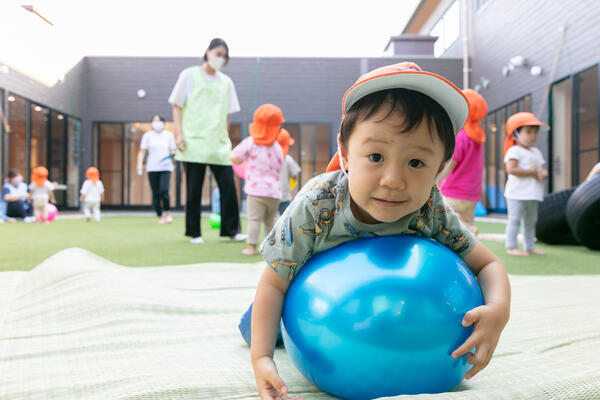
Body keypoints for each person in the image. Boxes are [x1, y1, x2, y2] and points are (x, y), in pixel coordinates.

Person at [249, 62, 511, 400]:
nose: (393, 180)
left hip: (396, 322)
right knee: (260, 323)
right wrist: (261, 356)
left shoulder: (431, 209)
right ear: (345, 153)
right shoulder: (317, 203)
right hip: (304, 303)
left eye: (416, 163)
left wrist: (499, 310)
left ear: (440, 170)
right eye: (375, 156)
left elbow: (488, 265)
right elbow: (273, 281)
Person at [169, 37, 245, 244]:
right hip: (193, 142)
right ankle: (194, 233)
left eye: (224, 56)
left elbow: (229, 113)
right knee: (193, 189)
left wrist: (226, 135)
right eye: (217, 54)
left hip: (219, 144)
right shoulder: (189, 75)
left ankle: (231, 230)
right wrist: (178, 134)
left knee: (229, 186)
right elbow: (177, 105)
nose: (220, 58)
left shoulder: (226, 82)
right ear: (208, 52)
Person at [231, 104, 284, 256]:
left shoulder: (251, 142)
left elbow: (235, 156)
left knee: (254, 220)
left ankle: (251, 248)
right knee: (271, 221)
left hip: (256, 191)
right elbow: (280, 164)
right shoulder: (277, 146)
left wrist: (239, 161)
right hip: (274, 191)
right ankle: (274, 250)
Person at [439, 89, 487, 236]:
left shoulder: (461, 135)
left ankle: (469, 231)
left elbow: (451, 163)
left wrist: (434, 181)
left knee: (444, 224)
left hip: (454, 191)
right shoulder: (477, 137)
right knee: (466, 226)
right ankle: (470, 242)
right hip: (471, 194)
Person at [503, 112, 548, 256]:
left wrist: (543, 174)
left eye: (535, 132)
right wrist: (532, 172)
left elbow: (543, 170)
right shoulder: (514, 150)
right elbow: (511, 169)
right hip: (517, 194)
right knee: (514, 220)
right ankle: (511, 246)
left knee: (530, 222)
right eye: (528, 132)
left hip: (533, 194)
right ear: (515, 135)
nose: (533, 135)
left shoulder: (536, 152)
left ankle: (529, 246)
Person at [136, 114, 176, 224]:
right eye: (154, 120)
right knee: (156, 193)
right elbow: (142, 151)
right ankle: (160, 216)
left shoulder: (169, 135)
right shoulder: (147, 136)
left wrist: (174, 156)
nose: (156, 123)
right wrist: (139, 164)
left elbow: (172, 150)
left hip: (166, 167)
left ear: (163, 123)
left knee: (164, 190)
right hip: (152, 168)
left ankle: (167, 212)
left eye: (158, 120)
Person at [276, 128, 301, 216]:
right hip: (284, 196)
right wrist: (293, 189)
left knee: (270, 221)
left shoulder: (268, 157)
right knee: (286, 220)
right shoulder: (287, 159)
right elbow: (295, 175)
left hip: (270, 195)